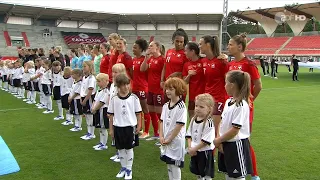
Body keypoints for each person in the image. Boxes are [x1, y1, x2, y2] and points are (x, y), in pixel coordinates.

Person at [227, 33, 262, 180]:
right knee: (234, 137)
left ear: (239, 47)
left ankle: (254, 174)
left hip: (244, 106)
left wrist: (248, 100)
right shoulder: (230, 64)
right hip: (232, 105)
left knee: (245, 138)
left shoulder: (249, 64)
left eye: (230, 44)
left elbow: (258, 85)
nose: (228, 46)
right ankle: (236, 166)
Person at [214, 70, 253, 180]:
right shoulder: (228, 102)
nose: (224, 85)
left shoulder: (240, 105)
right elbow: (222, 122)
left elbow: (235, 130)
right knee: (228, 173)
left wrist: (219, 140)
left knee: (237, 176)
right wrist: (219, 139)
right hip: (225, 143)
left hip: (236, 145)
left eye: (226, 82)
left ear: (232, 85)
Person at [108, 73, 142, 180]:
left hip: (129, 127)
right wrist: (111, 129)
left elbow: (138, 113)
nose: (126, 87)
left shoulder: (134, 98)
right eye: (123, 85)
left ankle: (129, 169)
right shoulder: (113, 99)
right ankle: (123, 167)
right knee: (121, 149)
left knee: (129, 148)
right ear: (118, 86)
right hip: (118, 127)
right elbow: (111, 115)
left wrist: (139, 126)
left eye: (127, 84)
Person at [199, 35, 228, 137]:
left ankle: (219, 152)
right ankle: (207, 152)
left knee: (216, 132)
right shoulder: (203, 61)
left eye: (201, 44)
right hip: (207, 100)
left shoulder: (221, 62)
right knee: (206, 130)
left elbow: (228, 81)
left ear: (208, 45)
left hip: (218, 100)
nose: (199, 46)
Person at [159, 77, 188, 180]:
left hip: (175, 142)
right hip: (166, 140)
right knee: (169, 164)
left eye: (171, 89)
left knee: (175, 166)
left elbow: (179, 126)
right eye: (166, 88)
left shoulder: (181, 107)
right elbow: (161, 121)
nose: (167, 91)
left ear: (179, 90)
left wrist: (169, 139)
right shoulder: (166, 105)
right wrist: (161, 136)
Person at [186, 93, 215, 180]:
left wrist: (194, 149)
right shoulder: (193, 119)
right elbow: (188, 135)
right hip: (194, 151)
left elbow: (205, 141)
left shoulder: (208, 122)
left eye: (201, 107)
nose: (198, 109)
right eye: (196, 106)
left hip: (204, 152)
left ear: (209, 109)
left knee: (206, 174)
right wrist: (190, 147)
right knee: (198, 173)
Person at [140, 41, 165, 141]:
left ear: (157, 47)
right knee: (151, 111)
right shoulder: (150, 59)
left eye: (151, 46)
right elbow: (142, 69)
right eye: (149, 46)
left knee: (160, 114)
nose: (149, 48)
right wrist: (146, 58)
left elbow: (164, 72)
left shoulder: (162, 59)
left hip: (159, 90)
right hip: (150, 89)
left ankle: (163, 135)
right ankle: (156, 133)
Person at [131, 38, 150, 139]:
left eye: (135, 47)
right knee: (136, 110)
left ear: (141, 49)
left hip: (142, 87)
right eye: (133, 47)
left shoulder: (144, 60)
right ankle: (139, 128)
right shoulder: (133, 60)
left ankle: (147, 132)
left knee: (145, 109)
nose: (133, 49)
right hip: (134, 88)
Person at [108, 63, 127, 163]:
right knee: (114, 133)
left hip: (120, 113)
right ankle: (118, 152)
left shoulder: (123, 86)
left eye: (116, 72)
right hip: (113, 112)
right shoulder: (112, 85)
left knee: (120, 133)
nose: (113, 74)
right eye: (113, 72)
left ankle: (123, 153)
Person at [182, 42, 205, 119]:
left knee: (203, 118)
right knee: (192, 118)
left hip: (203, 96)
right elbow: (184, 82)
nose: (185, 53)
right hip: (192, 97)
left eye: (186, 50)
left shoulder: (203, 62)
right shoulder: (186, 64)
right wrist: (189, 75)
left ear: (193, 51)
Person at [92, 73, 110, 151]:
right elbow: (95, 100)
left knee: (103, 127)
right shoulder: (99, 91)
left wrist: (95, 108)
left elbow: (102, 102)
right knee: (100, 127)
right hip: (98, 110)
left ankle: (104, 144)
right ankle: (101, 142)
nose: (97, 83)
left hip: (103, 110)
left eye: (99, 81)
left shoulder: (106, 91)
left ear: (105, 81)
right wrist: (93, 107)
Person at [80, 61, 97, 140]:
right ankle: (88, 132)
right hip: (84, 97)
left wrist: (85, 100)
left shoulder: (91, 78)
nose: (83, 68)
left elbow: (90, 90)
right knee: (86, 115)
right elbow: (82, 89)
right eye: (83, 66)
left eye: (85, 66)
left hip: (89, 98)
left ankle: (91, 133)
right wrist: (81, 98)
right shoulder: (84, 77)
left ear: (90, 68)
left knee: (90, 115)